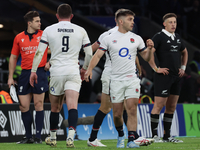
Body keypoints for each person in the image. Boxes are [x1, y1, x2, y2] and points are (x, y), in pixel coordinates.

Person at [84, 9, 154, 148]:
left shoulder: (136, 38)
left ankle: (132, 138)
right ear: (120, 21)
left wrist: (146, 56)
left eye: (133, 19)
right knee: (112, 111)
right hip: (112, 77)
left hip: (131, 78)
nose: (133, 22)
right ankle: (117, 135)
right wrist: (88, 68)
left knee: (131, 109)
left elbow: (138, 55)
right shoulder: (107, 36)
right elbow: (95, 52)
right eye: (130, 19)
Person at [29, 4, 92, 148]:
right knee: (72, 106)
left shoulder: (49, 30)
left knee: (55, 108)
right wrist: (84, 69)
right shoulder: (80, 30)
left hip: (56, 72)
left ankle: (53, 138)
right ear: (72, 16)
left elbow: (39, 52)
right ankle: (70, 137)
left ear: (57, 16)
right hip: (73, 71)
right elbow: (89, 53)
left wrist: (33, 71)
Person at [7, 11, 49, 144]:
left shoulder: (44, 35)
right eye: (37, 21)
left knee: (38, 104)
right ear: (29, 23)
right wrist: (10, 77)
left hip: (40, 72)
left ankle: (38, 137)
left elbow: (57, 49)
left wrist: (50, 62)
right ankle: (28, 136)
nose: (40, 23)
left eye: (39, 20)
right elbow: (14, 57)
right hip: (24, 74)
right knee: (23, 106)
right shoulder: (19, 37)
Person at [148, 13, 188, 143]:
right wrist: (155, 68)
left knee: (171, 107)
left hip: (176, 77)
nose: (173, 25)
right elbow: (149, 54)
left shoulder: (177, 37)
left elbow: (185, 51)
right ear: (164, 24)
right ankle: (154, 136)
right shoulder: (158, 37)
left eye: (175, 22)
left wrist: (183, 67)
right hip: (163, 77)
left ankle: (167, 136)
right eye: (170, 22)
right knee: (158, 106)